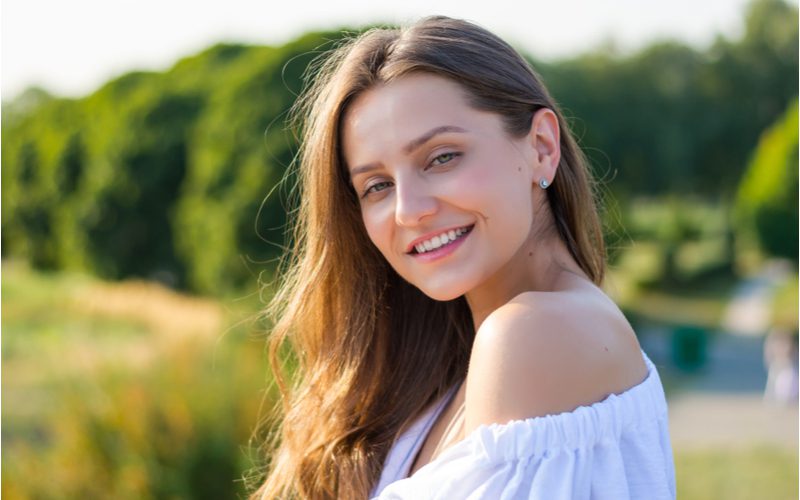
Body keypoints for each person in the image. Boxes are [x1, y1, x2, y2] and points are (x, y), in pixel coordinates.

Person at [252, 16, 676, 499]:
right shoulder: (455, 364)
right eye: (377, 186)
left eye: (442, 157)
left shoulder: (535, 334)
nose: (409, 210)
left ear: (541, 146)